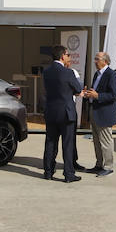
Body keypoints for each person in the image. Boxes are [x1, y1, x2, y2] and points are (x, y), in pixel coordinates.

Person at [42, 45, 83, 182]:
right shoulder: (68, 72)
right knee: (68, 144)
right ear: (62, 56)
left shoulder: (46, 71)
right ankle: (68, 174)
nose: (69, 57)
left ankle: (48, 172)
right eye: (68, 55)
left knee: (50, 142)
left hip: (51, 111)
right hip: (66, 113)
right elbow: (78, 89)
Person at [83, 51, 116, 177]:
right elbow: (95, 91)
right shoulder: (96, 74)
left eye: (97, 59)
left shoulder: (111, 75)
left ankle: (108, 166)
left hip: (105, 113)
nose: (95, 61)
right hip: (95, 110)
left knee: (106, 141)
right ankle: (99, 164)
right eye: (95, 59)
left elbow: (114, 95)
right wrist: (89, 94)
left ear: (105, 61)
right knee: (97, 141)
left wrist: (97, 95)